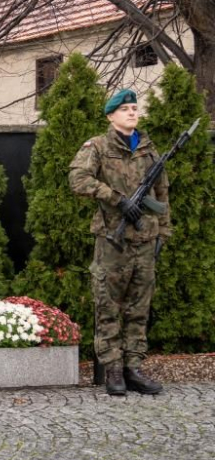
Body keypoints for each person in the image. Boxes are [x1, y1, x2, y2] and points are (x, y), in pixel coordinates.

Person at [69, 89, 170, 396]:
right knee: (108, 305)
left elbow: (162, 194)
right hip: (112, 241)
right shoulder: (98, 147)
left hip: (145, 239)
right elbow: (78, 179)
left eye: (135, 108)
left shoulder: (149, 151)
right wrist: (116, 199)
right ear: (111, 115)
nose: (132, 112)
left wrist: (163, 233)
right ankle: (113, 368)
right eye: (125, 109)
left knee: (139, 307)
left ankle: (133, 368)